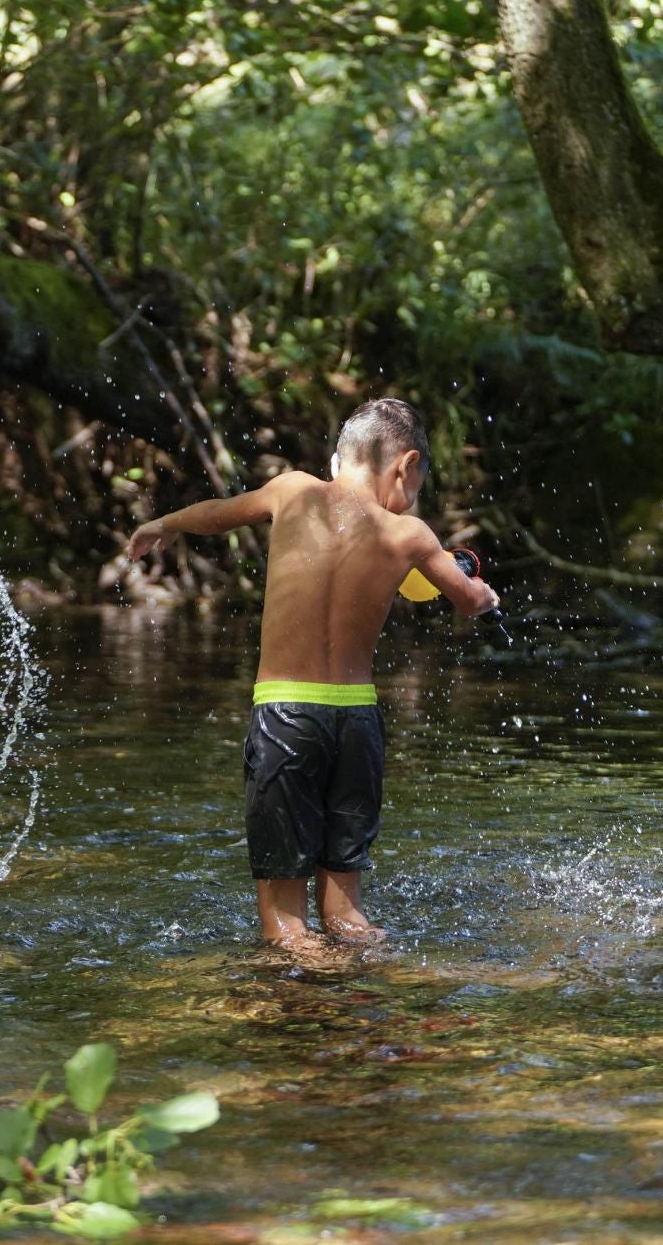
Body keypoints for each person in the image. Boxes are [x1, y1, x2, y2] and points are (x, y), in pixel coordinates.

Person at [126, 399, 498, 946]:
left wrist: (165, 524)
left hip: (287, 716)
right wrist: (484, 593)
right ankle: (374, 988)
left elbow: (217, 513)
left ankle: (304, 1018)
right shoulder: (410, 535)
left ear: (335, 463)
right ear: (406, 464)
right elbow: (469, 600)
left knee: (284, 924)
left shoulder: (291, 490)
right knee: (348, 918)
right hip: (357, 724)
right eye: (419, 480)